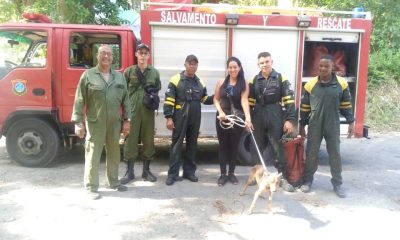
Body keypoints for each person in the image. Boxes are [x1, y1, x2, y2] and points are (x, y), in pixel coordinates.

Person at [71, 44, 131, 200]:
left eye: (109, 54)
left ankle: (113, 182)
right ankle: (91, 187)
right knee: (93, 155)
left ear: (112, 57)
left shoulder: (119, 76)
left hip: (114, 123)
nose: (106, 56)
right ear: (97, 56)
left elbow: (126, 100)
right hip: (95, 123)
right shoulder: (88, 75)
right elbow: (79, 99)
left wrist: (127, 120)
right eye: (103, 53)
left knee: (114, 154)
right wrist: (78, 122)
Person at [299, 54, 354, 198]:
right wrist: (301, 125)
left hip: (333, 124)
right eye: (321, 66)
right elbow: (304, 107)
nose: (323, 68)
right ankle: (307, 181)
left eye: (326, 66)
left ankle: (338, 184)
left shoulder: (341, 84)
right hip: (315, 124)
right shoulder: (310, 84)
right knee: (311, 153)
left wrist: (351, 122)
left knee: (335, 154)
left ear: (332, 67)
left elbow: (346, 104)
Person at [248, 52, 296, 192]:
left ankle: (282, 178)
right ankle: (258, 176)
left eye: (267, 61)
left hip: (275, 113)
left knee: (278, 147)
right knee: (256, 146)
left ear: (272, 62)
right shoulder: (254, 80)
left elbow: (289, 100)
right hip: (258, 114)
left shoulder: (281, 78)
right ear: (258, 64)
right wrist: (249, 119)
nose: (264, 64)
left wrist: (289, 120)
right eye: (261, 62)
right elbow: (250, 101)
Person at [163, 54, 213, 186]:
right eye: (190, 63)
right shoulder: (176, 79)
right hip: (180, 117)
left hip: (195, 118)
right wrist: (169, 118)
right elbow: (169, 100)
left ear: (197, 66)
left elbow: (204, 99)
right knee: (176, 145)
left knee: (192, 145)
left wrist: (218, 95)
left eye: (195, 64)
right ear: (185, 64)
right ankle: (172, 174)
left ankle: (189, 172)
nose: (192, 66)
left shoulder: (199, 82)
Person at [120, 43, 161, 184]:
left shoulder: (154, 73)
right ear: (136, 54)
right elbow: (123, 93)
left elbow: (157, 89)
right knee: (130, 140)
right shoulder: (129, 72)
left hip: (148, 112)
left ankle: (146, 171)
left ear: (149, 55)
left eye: (145, 53)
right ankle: (129, 172)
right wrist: (124, 113)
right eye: (140, 52)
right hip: (131, 112)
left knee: (148, 140)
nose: (143, 55)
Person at [214, 57, 253, 186]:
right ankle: (222, 175)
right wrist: (220, 112)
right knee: (223, 145)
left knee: (234, 146)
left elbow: (244, 101)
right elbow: (216, 99)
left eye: (235, 67)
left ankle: (231, 173)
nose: (232, 69)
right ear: (227, 68)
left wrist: (247, 118)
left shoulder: (243, 83)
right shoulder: (221, 82)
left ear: (239, 67)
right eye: (230, 67)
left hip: (236, 118)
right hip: (223, 118)